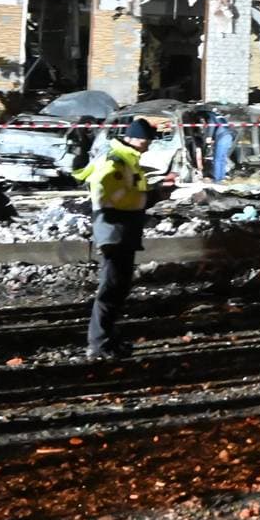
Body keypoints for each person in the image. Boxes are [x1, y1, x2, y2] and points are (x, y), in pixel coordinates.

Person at [75, 117, 171, 360]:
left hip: (121, 230)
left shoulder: (126, 158)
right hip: (114, 231)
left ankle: (108, 340)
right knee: (111, 288)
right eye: (146, 140)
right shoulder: (116, 160)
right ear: (133, 139)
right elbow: (110, 194)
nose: (148, 145)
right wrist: (151, 197)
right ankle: (99, 344)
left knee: (118, 287)